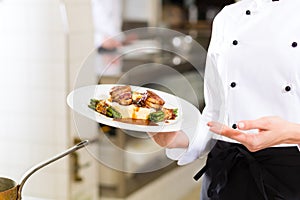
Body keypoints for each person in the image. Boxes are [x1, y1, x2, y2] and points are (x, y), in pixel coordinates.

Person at [150, 0, 300, 199]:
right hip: (225, 175)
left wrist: (292, 133)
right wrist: (180, 138)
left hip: (290, 177)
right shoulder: (227, 17)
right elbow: (216, 111)